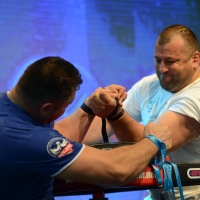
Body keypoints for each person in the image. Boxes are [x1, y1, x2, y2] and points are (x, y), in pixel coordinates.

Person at [0, 56, 172, 200]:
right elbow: (116, 170)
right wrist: (153, 140)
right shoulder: (24, 138)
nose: (65, 110)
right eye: (66, 106)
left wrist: (90, 106)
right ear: (46, 108)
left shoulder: (12, 108)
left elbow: (57, 134)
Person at [84, 24, 200, 200]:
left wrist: (114, 112)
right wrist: (61, 145)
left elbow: (152, 145)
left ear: (195, 59)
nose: (162, 69)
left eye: (170, 61)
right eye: (157, 60)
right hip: (157, 195)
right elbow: (104, 124)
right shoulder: (149, 84)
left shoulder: (196, 96)